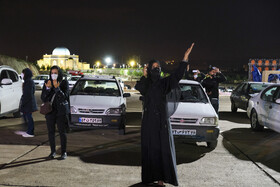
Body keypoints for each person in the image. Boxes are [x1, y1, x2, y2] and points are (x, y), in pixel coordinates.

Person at [135, 43, 194, 186]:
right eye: (153, 67)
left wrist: (184, 58)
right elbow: (140, 87)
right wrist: (144, 75)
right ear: (149, 69)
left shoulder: (164, 83)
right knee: (150, 149)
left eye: (158, 67)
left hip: (161, 123)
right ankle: (150, 177)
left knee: (162, 150)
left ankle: (162, 179)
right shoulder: (146, 84)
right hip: (149, 123)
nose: (157, 69)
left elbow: (177, 75)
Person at [41, 65, 69, 160]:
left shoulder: (64, 83)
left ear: (59, 73)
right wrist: (48, 89)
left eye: (55, 73)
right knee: (51, 132)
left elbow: (65, 97)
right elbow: (43, 98)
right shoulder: (47, 82)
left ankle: (63, 152)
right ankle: (52, 151)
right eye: (52, 73)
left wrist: (57, 88)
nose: (53, 75)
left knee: (62, 132)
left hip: (61, 112)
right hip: (50, 111)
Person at [15, 68, 37, 137]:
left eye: (23, 73)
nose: (22, 75)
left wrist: (23, 103)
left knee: (28, 117)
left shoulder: (29, 82)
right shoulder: (27, 81)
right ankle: (28, 130)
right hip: (28, 103)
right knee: (26, 116)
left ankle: (30, 132)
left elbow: (28, 94)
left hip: (28, 103)